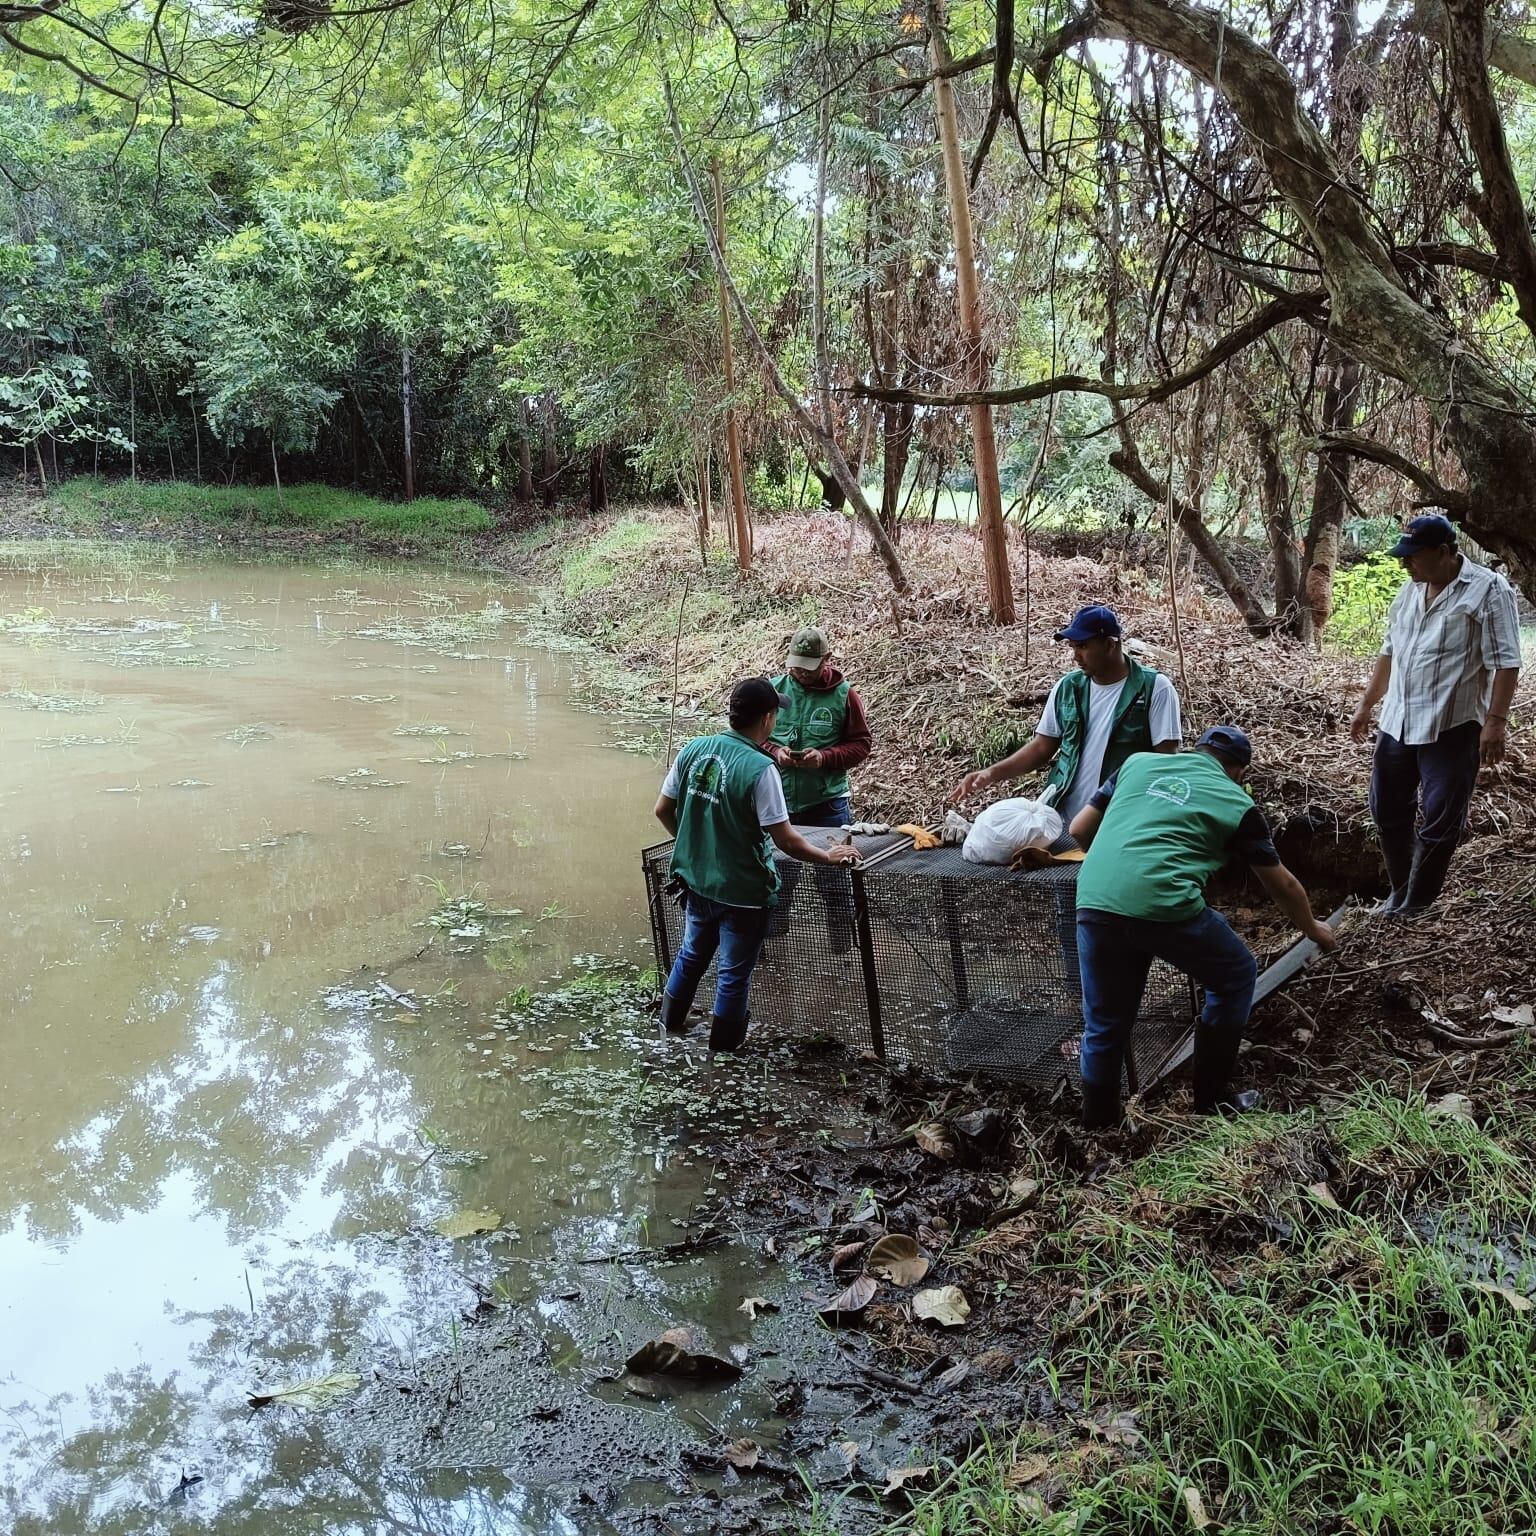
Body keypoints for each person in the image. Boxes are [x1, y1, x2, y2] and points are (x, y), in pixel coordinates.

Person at [1069, 726, 1337, 1130]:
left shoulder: (1136, 764)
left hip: (1096, 898)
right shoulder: (1236, 801)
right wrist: (1314, 929)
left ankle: (1099, 1128)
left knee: (1105, 1023)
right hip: (1163, 902)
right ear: (1239, 772)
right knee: (1235, 976)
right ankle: (1210, 1102)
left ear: (1197, 751)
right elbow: (1280, 882)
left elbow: (1078, 830)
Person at [655, 676, 859, 1052]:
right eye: (774, 714)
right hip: (744, 891)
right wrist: (827, 856)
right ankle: (724, 1056)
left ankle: (667, 1029)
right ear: (767, 719)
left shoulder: (692, 749)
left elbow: (663, 809)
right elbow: (785, 839)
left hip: (696, 882)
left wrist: (692, 841)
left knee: (691, 954)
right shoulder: (761, 768)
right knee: (733, 974)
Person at [1348, 514, 1522, 919]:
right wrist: (1367, 703)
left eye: (1413, 556)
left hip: (1453, 723)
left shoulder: (1488, 590)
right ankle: (1400, 891)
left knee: (1441, 816)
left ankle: (1417, 904)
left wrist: (1495, 722)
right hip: (1399, 721)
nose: (1405, 565)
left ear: (1444, 553)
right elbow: (1390, 653)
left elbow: (1507, 661)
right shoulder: (1410, 591)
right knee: (1387, 809)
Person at [949, 604, 1183, 825]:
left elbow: (1165, 764)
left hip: (1118, 822)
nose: (1075, 656)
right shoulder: (1068, 687)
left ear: (1110, 645)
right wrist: (991, 773)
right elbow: (1042, 748)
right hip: (1059, 819)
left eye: (1082, 646)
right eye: (1072, 646)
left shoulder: (1154, 688)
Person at [765, 625, 872, 952]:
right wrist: (775, 752)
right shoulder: (773, 691)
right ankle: (776, 945)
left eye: (808, 667)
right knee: (777, 878)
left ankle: (844, 952)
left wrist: (824, 758)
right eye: (795, 665)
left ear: (826, 659)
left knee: (834, 878)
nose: (800, 673)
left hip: (827, 803)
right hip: (778, 802)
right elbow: (756, 738)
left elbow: (861, 744)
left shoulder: (845, 695)